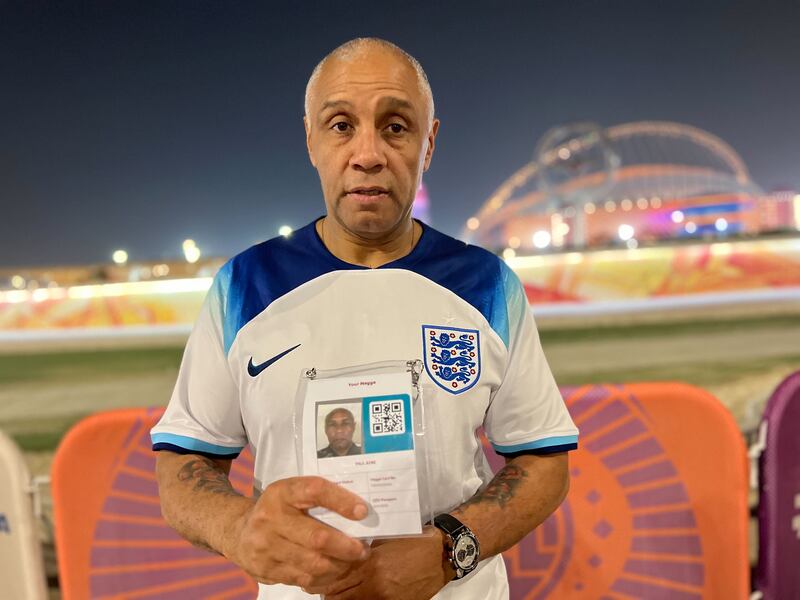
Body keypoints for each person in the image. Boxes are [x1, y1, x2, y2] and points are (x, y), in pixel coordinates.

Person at [151, 37, 578, 600]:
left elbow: (543, 460)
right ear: (310, 139)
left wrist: (451, 551)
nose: (368, 153)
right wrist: (237, 529)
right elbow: (185, 463)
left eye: (397, 126)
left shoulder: (488, 285)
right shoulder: (242, 287)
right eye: (340, 125)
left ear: (430, 142)